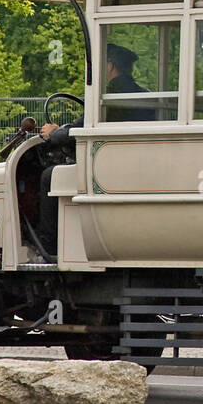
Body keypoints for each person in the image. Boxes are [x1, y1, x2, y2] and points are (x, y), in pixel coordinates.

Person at [36, 44, 151, 254]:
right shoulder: (142, 94)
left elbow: (80, 130)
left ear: (109, 66)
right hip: (135, 162)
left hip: (110, 168)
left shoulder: (109, 95)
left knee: (48, 176)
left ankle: (49, 247)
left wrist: (54, 133)